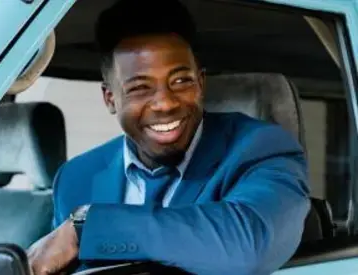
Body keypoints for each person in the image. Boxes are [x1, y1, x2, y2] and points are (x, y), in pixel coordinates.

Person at [28, 0, 310, 274]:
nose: (165, 103)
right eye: (140, 87)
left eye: (180, 81)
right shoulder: (77, 177)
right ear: (110, 98)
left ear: (200, 84)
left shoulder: (262, 148)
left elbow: (251, 243)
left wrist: (87, 228)